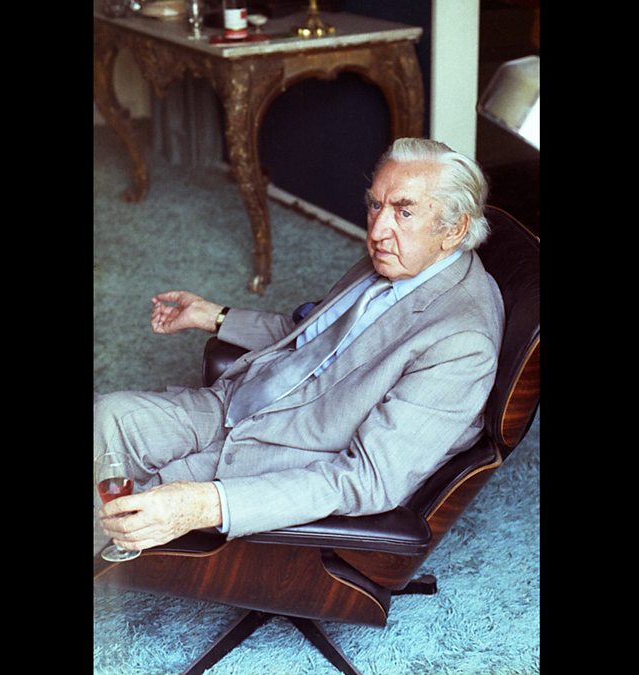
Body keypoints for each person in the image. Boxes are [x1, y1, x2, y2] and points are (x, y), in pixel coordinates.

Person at [94, 137, 504, 552]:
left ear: (454, 229)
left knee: (125, 512)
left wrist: (203, 505)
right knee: (107, 418)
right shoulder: (400, 259)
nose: (378, 230)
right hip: (236, 404)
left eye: (404, 211)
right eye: (375, 205)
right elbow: (312, 337)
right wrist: (213, 315)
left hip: (282, 455)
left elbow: (370, 480)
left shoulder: (461, 342)